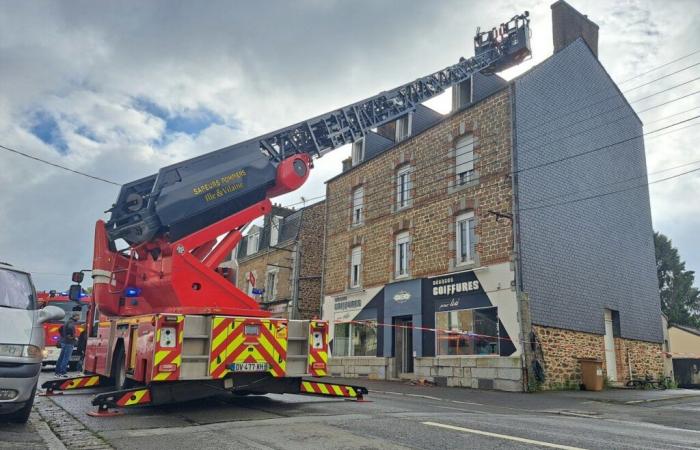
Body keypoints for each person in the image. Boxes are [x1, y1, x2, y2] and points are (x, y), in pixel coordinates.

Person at [55, 312, 79, 378]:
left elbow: (60, 329)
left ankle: (57, 372)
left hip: (64, 342)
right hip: (69, 342)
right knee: (66, 358)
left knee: (61, 357)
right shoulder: (71, 323)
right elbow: (70, 330)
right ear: (75, 316)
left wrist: (63, 336)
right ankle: (63, 372)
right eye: (78, 316)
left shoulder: (67, 321)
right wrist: (73, 337)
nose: (79, 318)